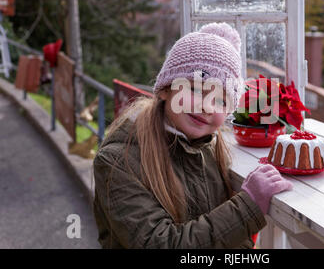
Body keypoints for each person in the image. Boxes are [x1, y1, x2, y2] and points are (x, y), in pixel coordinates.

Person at [92, 23, 293, 248]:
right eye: (196, 89)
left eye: (221, 100)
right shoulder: (118, 161)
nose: (207, 106)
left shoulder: (209, 147)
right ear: (167, 89)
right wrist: (248, 206)